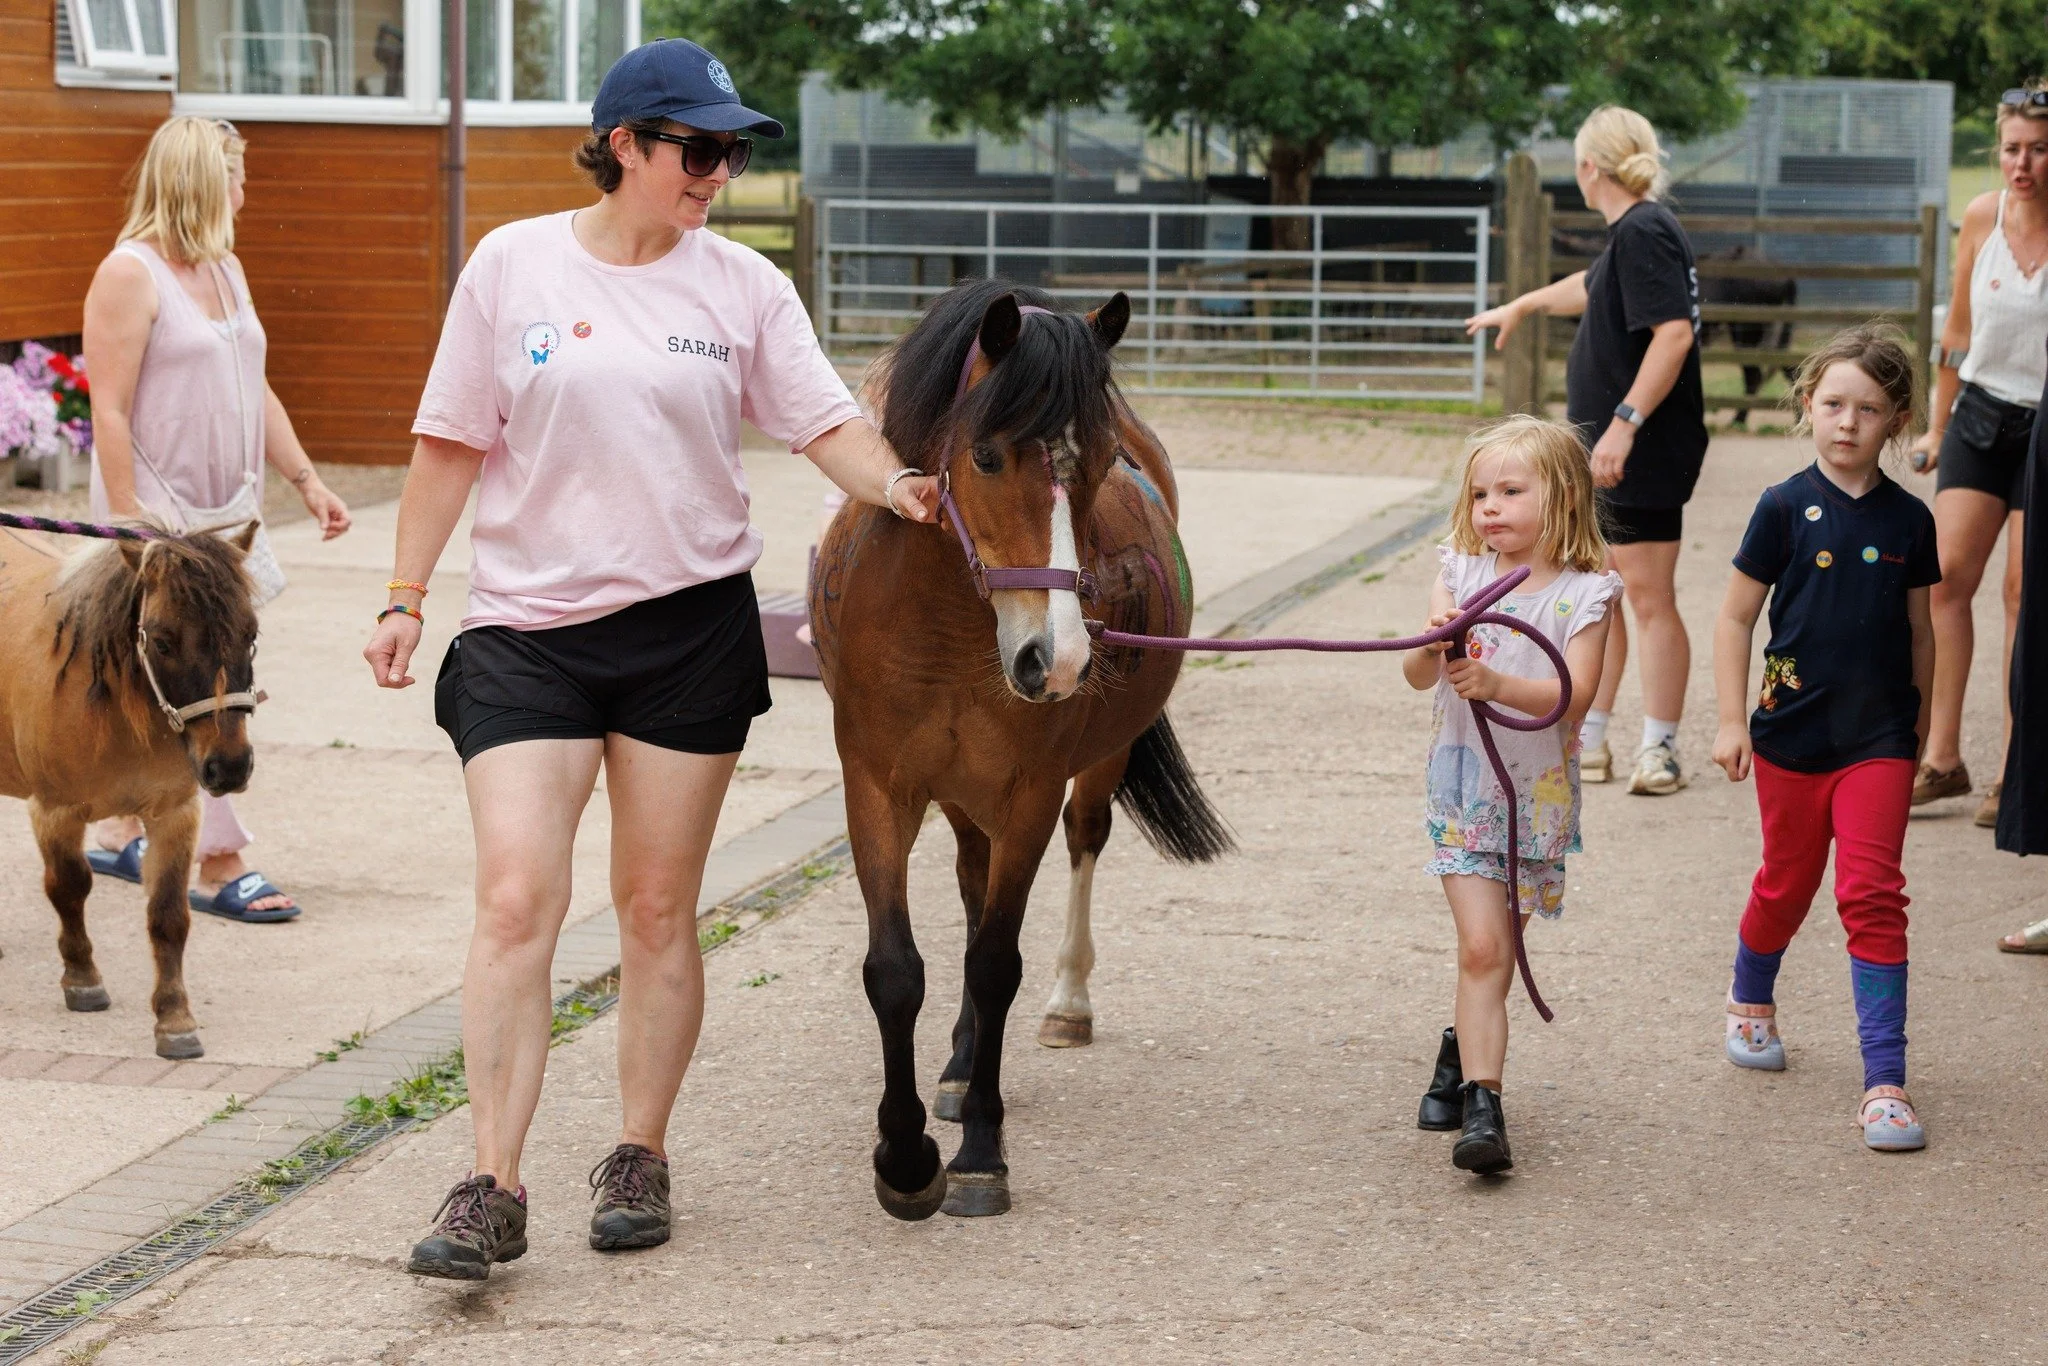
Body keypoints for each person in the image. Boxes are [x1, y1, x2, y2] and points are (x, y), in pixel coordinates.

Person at [363, 39, 941, 1279]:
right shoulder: (510, 263)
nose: (718, 172)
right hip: (527, 631)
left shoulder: (740, 285)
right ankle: (490, 1180)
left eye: (732, 152)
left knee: (656, 907)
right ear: (623, 142)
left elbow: (822, 424)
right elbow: (450, 443)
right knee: (519, 897)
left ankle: (639, 1150)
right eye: (698, 148)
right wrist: (406, 593)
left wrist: (898, 485)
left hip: (686, 629)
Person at [79, 115, 352, 922]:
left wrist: (304, 480)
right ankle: (218, 859)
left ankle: (126, 825)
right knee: (211, 683)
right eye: (235, 175)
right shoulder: (129, 275)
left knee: (185, 681)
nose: (245, 189)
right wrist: (131, 526)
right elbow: (110, 409)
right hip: (161, 521)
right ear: (203, 181)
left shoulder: (226, 269)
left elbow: (252, 383)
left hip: (227, 518)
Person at [1710, 326, 1935, 1152]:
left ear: (1896, 420)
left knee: (1871, 893)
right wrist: (1732, 719)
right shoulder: (1781, 507)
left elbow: (1923, 636)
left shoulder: (1912, 521)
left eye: (1868, 409)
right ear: (1809, 405)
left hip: (1878, 738)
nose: (1848, 422)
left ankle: (1885, 1082)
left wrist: (1921, 734)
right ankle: (1750, 998)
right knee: (1787, 883)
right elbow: (1736, 615)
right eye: (1833, 404)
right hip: (1789, 736)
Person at [1466, 106, 1707, 796]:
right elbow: (1593, 286)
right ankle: (1591, 736)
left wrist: (1625, 422)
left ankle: (1659, 747)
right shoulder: (1633, 235)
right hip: (1610, 452)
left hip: (1641, 450)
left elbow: (1672, 334)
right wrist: (1525, 306)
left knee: (1648, 595)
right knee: (1601, 589)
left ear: (1587, 169)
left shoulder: (1646, 231)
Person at [1402, 414, 1621, 1175]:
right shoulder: (1460, 571)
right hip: (1466, 789)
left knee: (1493, 957)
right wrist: (1431, 646)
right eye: (1480, 493)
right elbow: (1416, 675)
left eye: (1510, 490)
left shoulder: (1588, 594)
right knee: (1484, 946)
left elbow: (1576, 694)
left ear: (1561, 495)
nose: (1489, 506)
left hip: (1538, 800)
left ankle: (1457, 1051)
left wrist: (1495, 681)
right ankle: (1482, 1108)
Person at [1908, 84, 2048, 829]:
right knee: (1943, 580)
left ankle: (2014, 775)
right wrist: (1937, 426)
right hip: (1981, 414)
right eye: (2012, 148)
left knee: (2026, 595)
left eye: (2039, 148)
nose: (2022, 163)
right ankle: (1942, 758)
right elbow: (1957, 327)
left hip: (2046, 424)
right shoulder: (1984, 216)